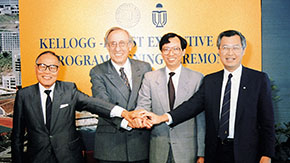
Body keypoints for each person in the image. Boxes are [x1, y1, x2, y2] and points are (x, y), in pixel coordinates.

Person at [144, 30, 275, 163]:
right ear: (218, 50)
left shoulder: (258, 80)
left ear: (243, 50)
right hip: (216, 152)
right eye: (225, 48)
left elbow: (267, 122)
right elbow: (191, 106)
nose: (230, 53)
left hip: (247, 153)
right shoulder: (210, 81)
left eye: (235, 47)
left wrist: (267, 154)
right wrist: (162, 117)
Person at [11, 51, 139, 163]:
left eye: (52, 67)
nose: (47, 72)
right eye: (42, 66)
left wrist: (123, 113)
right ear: (36, 68)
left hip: (69, 157)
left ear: (58, 70)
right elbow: (17, 136)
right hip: (37, 158)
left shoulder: (69, 89)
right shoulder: (24, 95)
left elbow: (92, 103)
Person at [135, 33, 205, 163]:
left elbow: (201, 120)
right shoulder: (150, 78)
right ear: (161, 52)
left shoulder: (197, 78)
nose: (171, 53)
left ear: (183, 52)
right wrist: (143, 118)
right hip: (158, 148)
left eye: (176, 49)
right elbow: (142, 106)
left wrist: (201, 153)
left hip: (188, 149)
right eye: (166, 49)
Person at [89, 27, 151, 162]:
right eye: (113, 43)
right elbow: (102, 104)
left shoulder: (145, 67)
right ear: (107, 46)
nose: (118, 48)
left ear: (130, 46)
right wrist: (128, 122)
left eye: (122, 43)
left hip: (140, 144)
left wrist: (140, 119)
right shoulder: (97, 71)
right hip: (111, 148)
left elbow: (148, 100)